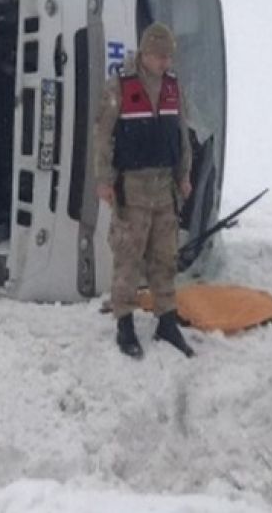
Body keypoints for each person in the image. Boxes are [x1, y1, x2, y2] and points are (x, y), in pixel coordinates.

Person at [94, 22, 195, 359]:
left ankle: (166, 319)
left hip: (164, 186)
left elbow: (182, 134)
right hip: (132, 187)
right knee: (128, 256)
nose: (166, 63)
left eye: (169, 57)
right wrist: (104, 179)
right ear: (146, 53)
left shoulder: (173, 87)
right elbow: (103, 136)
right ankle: (125, 323)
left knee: (165, 255)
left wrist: (184, 175)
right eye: (161, 57)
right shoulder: (120, 86)